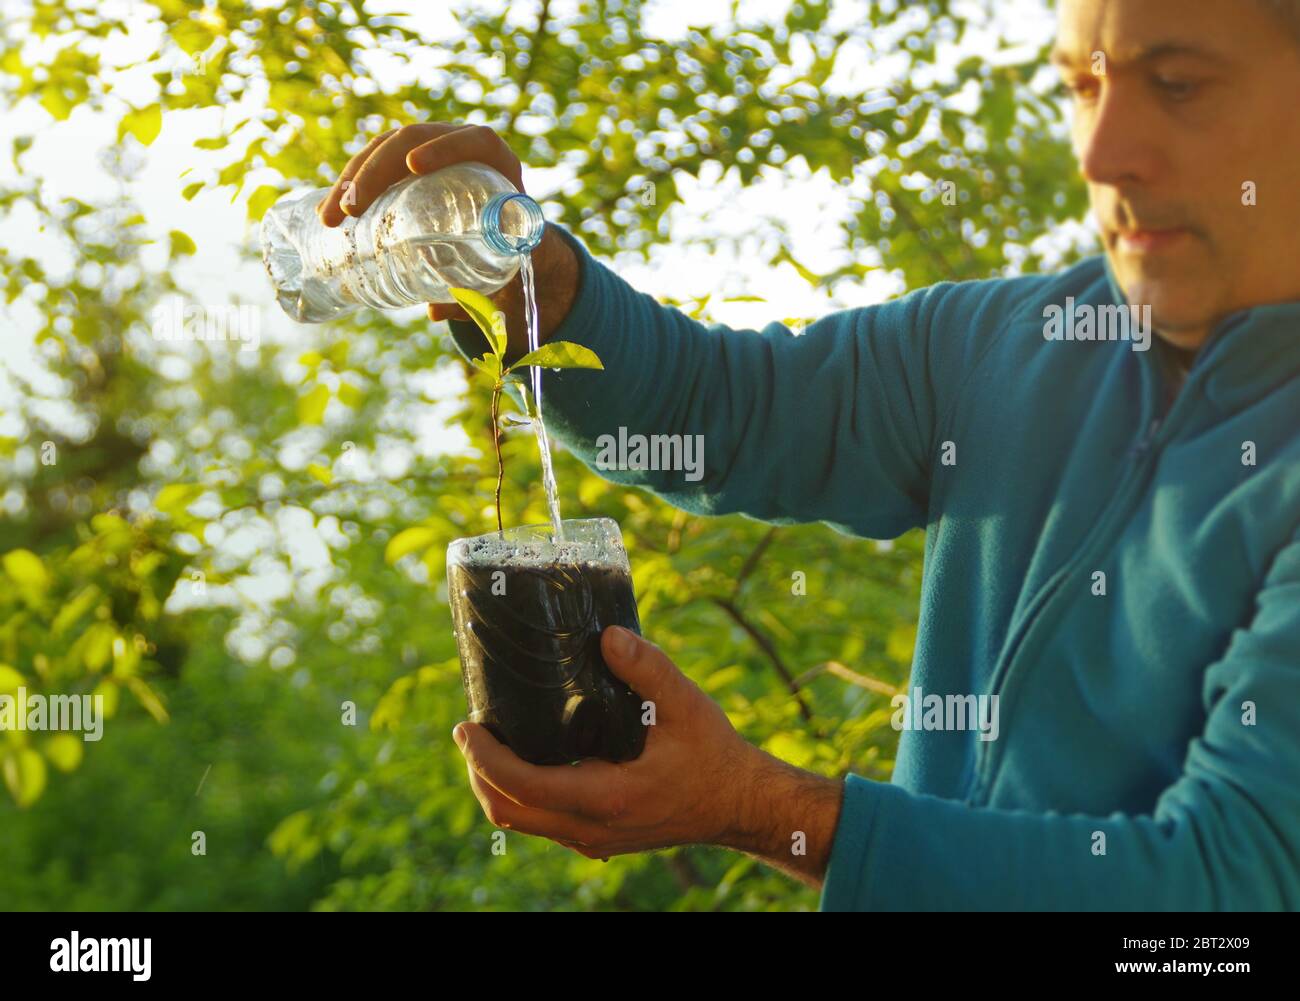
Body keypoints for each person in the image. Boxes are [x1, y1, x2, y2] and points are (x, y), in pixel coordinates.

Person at [318, 0, 1300, 909]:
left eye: (1176, 84)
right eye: (1082, 87)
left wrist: (759, 804)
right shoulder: (1002, 342)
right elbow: (718, 407)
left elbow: (1224, 889)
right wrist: (541, 278)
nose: (1102, 151)